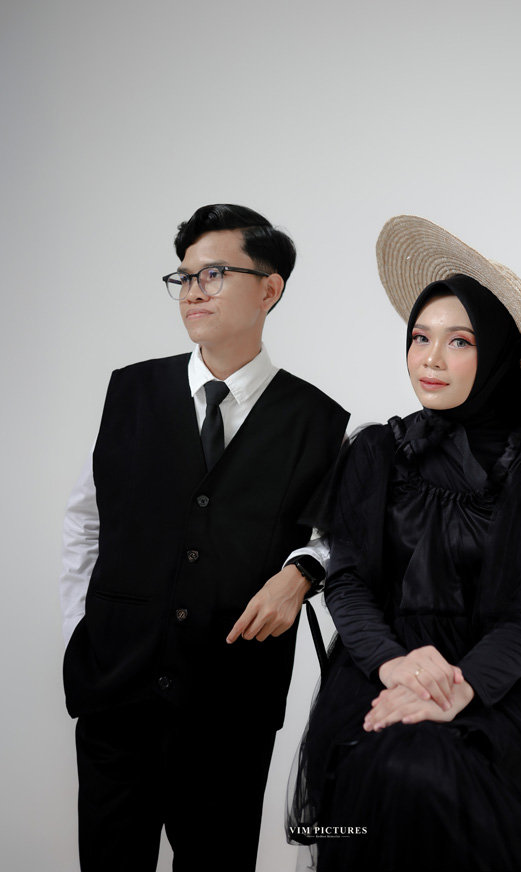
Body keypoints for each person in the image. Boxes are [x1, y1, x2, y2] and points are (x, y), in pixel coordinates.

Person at [289, 215, 521, 871]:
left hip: (497, 682)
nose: (430, 358)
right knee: (398, 770)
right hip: (379, 669)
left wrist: (459, 687)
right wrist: (396, 668)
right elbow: (349, 581)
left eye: (459, 341)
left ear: (497, 354)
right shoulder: (375, 451)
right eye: (420, 337)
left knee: (462, 783)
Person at [61, 204, 349, 872]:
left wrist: (302, 571)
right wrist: (83, 632)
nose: (193, 291)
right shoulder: (130, 392)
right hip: (117, 694)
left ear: (269, 289)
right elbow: (85, 519)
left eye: (214, 274)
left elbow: (344, 535)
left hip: (232, 706)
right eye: (184, 276)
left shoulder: (317, 420)